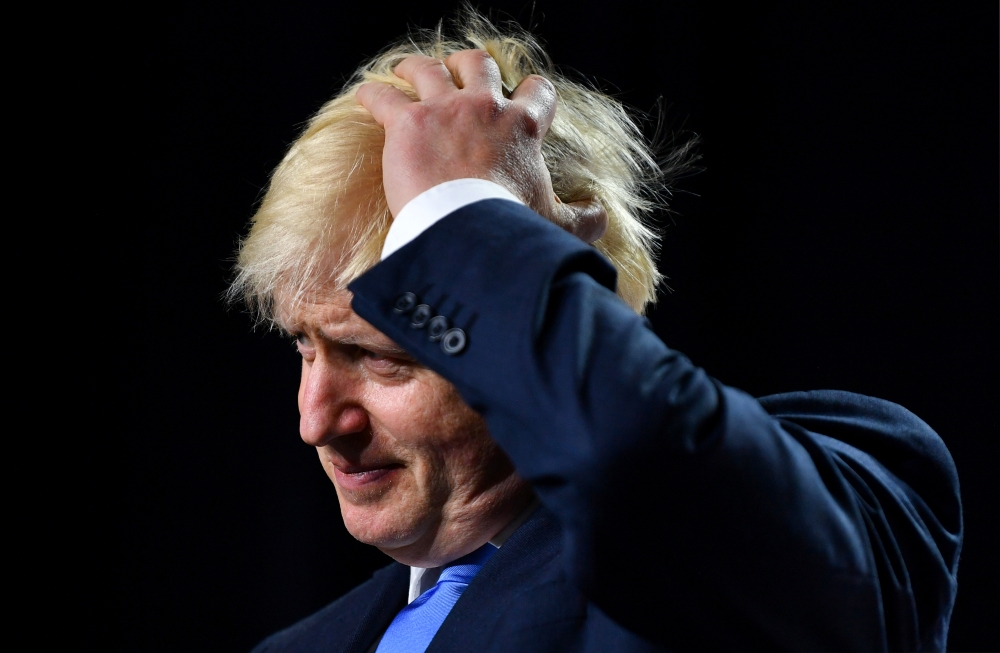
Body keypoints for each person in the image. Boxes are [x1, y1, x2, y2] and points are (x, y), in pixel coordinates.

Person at [232, 13, 962, 653]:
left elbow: (637, 461)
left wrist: (463, 217)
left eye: (379, 355)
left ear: (543, 281)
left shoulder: (839, 493)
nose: (314, 421)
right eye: (304, 346)